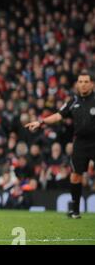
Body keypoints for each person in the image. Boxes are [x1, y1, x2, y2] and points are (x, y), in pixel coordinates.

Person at [25, 71, 94, 219]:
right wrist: (40, 122)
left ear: (92, 84)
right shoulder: (73, 101)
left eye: (86, 81)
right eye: (80, 81)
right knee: (75, 176)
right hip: (80, 143)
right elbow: (58, 115)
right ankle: (75, 211)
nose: (83, 84)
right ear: (77, 84)